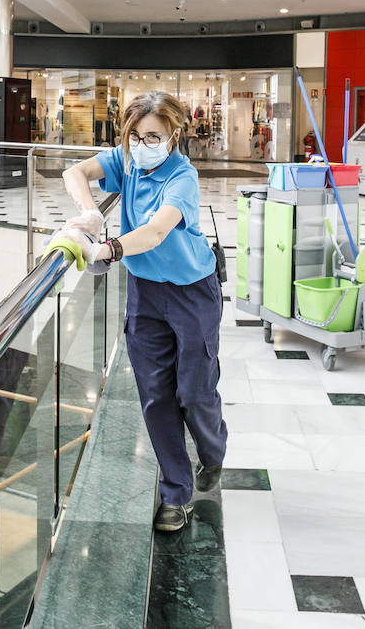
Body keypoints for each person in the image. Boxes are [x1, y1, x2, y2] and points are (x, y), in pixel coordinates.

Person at [58, 91, 226, 532]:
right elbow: (73, 171)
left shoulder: (182, 178)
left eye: (152, 135)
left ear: (173, 135)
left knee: (194, 393)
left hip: (193, 294)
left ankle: (213, 452)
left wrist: (107, 248)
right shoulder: (127, 161)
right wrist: (90, 213)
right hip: (146, 296)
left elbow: (154, 232)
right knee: (156, 398)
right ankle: (177, 494)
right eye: (135, 134)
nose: (141, 143)